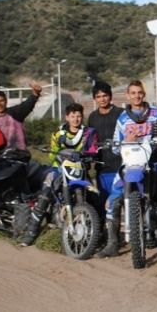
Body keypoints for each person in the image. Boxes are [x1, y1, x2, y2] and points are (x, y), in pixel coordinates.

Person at [97, 80, 157, 258]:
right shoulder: (122, 118)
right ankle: (113, 243)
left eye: (140, 93)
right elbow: (115, 146)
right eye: (133, 93)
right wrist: (126, 139)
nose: (137, 96)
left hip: (154, 162)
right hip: (130, 164)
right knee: (114, 198)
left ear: (144, 94)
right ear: (128, 95)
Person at [19, 103, 97, 247]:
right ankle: (31, 232)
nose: (76, 119)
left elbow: (93, 149)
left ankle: (95, 233)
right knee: (45, 194)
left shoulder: (89, 133)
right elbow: (52, 154)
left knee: (94, 195)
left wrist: (89, 155)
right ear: (67, 117)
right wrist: (59, 156)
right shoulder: (58, 134)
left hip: (80, 170)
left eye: (79, 116)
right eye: (72, 116)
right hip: (59, 169)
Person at [87, 81, 124, 217]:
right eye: (99, 96)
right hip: (102, 168)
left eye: (105, 95)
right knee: (104, 203)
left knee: (122, 202)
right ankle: (106, 235)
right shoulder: (92, 117)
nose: (102, 99)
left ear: (110, 96)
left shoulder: (121, 113)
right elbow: (91, 142)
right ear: (95, 98)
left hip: (121, 166)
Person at [0, 83, 42, 150]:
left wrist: (35, 94)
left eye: (1, 101)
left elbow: (27, 104)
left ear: (6, 101)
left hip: (18, 154)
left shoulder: (15, 113)